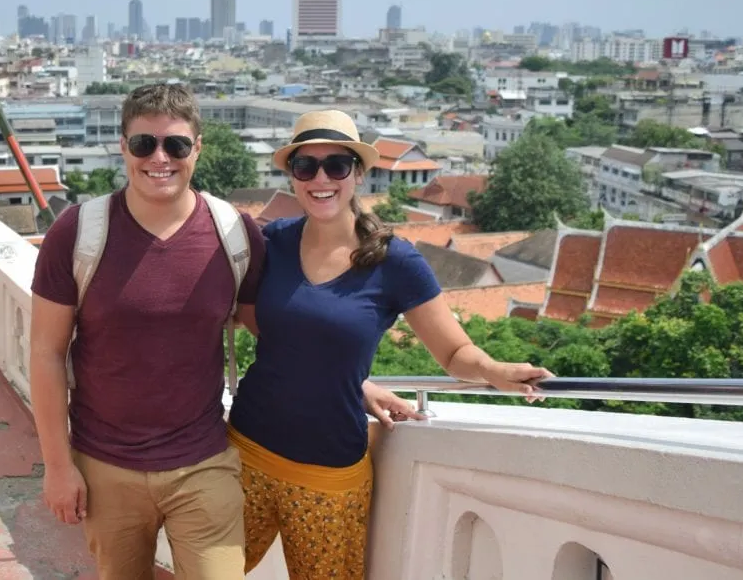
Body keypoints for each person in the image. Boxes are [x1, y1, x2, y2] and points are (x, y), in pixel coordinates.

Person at [227, 109, 553, 579]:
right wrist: (354, 383)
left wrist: (493, 370)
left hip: (329, 474)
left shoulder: (393, 261)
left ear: (358, 174)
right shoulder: (270, 243)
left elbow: (453, 353)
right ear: (293, 177)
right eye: (306, 166)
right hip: (246, 451)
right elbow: (265, 329)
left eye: (337, 165)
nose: (322, 179)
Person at [29, 83, 267, 579]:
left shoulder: (235, 233)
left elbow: (271, 331)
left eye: (176, 145)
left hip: (202, 459)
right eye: (144, 144)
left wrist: (354, 381)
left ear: (197, 148)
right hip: (104, 463)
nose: (160, 158)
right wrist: (57, 465)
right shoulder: (77, 232)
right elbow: (46, 353)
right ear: (123, 147)